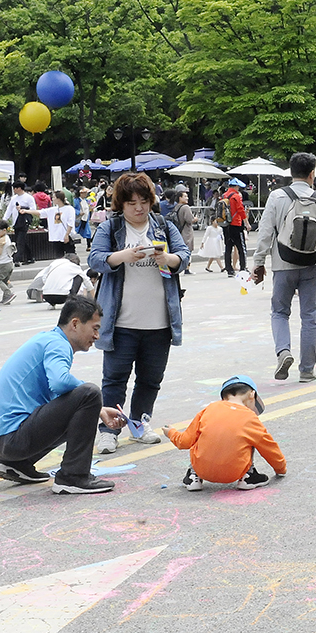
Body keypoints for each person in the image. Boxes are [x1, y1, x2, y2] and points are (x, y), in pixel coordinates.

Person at [0, 295, 129, 495]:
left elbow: (61, 404)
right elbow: (60, 382)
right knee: (90, 393)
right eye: (94, 328)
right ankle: (73, 477)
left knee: (85, 401)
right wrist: (94, 401)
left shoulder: (47, 340)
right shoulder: (58, 344)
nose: (97, 336)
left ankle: (17, 465)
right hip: (11, 439)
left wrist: (98, 411)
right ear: (75, 324)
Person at [88, 172, 190, 454]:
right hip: (121, 322)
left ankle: (138, 423)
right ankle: (109, 430)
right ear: (120, 204)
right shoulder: (111, 229)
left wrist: (166, 258)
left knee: (150, 379)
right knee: (115, 379)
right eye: (131, 202)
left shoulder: (163, 226)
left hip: (159, 322)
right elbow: (95, 259)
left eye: (143, 201)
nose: (138, 208)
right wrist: (124, 256)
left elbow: (183, 256)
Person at [251, 152, 316, 384]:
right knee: (309, 316)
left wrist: (259, 262)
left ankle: (283, 352)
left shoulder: (277, 197)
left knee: (280, 312)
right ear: (312, 174)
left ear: (291, 173)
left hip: (282, 265)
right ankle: (307, 370)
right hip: (311, 266)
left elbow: (265, 233)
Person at [166, 375, 285, 491]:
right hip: (234, 472)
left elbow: (184, 442)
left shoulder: (209, 409)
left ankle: (193, 476)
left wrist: (171, 432)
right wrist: (280, 469)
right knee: (252, 438)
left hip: (202, 470)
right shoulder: (250, 417)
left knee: (199, 438)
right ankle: (248, 476)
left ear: (223, 397)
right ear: (252, 394)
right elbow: (269, 448)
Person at [27, 188, 77, 257]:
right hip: (56, 237)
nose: (52, 199)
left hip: (66, 236)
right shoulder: (53, 210)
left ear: (58, 199)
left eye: (53, 197)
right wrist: (26, 211)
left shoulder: (69, 209)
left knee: (71, 256)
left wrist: (67, 235)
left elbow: (70, 223)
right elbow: (40, 212)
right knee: (59, 257)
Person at [219, 180, 249, 277]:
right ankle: (243, 268)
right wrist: (247, 223)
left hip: (226, 224)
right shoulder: (236, 196)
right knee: (241, 247)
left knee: (228, 247)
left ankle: (229, 270)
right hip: (236, 223)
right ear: (236, 186)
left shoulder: (223, 196)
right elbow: (240, 210)